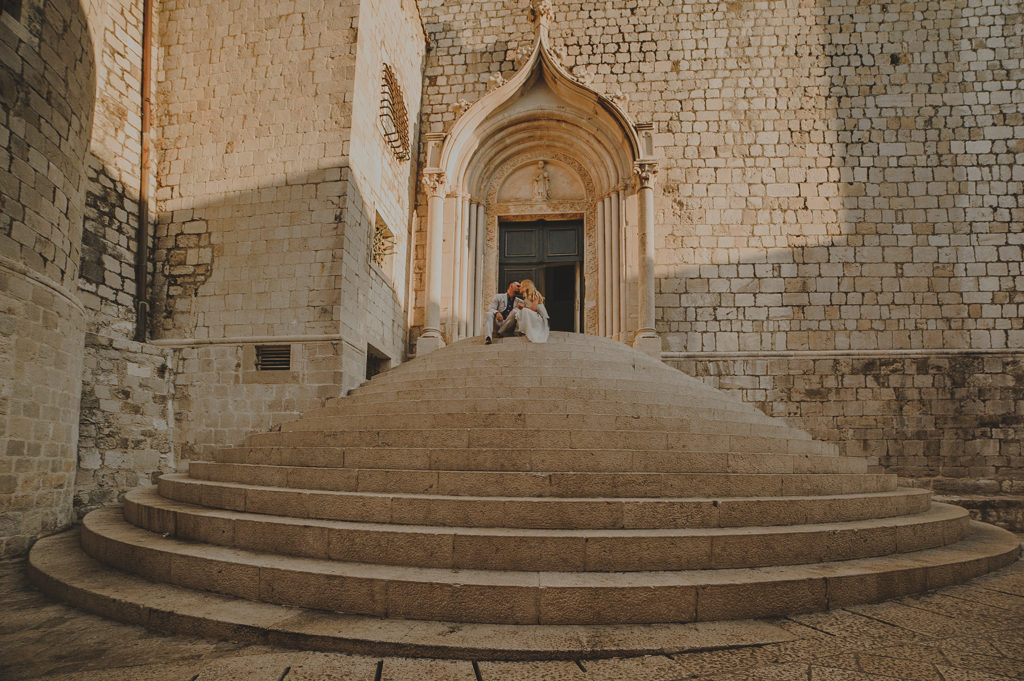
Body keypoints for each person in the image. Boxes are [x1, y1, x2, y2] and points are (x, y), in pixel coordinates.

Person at [510, 278, 549, 343]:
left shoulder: (535, 295)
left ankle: (526, 330)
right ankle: (518, 330)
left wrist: (524, 307)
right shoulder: (526, 298)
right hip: (533, 316)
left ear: (526, 287)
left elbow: (534, 309)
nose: (519, 288)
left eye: (521, 286)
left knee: (525, 311)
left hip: (539, 318)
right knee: (518, 311)